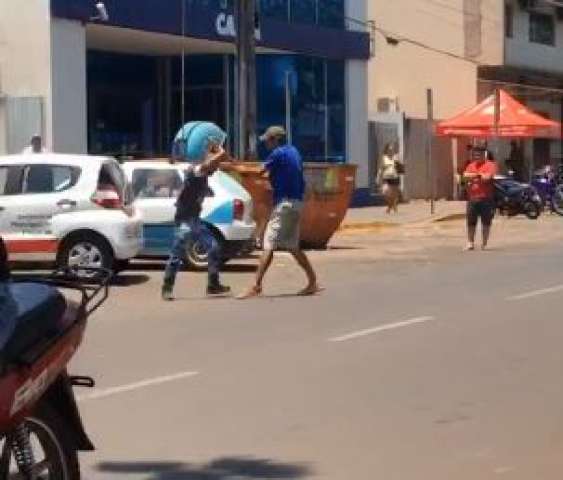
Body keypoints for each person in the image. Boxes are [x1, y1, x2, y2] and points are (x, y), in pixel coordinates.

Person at [237, 126, 321, 299]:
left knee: (267, 244)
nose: (266, 144)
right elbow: (283, 173)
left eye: (268, 140)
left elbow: (260, 171)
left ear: (274, 139)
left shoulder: (278, 154)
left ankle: (256, 286)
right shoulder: (293, 151)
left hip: (285, 204)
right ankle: (313, 282)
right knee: (292, 246)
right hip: (296, 203)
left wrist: (236, 168)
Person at [161, 139, 230, 301]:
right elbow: (216, 159)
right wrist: (218, 150)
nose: (216, 168)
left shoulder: (204, 175)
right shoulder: (197, 170)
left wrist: (215, 152)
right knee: (177, 254)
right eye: (214, 165)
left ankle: (213, 285)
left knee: (213, 247)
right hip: (184, 219)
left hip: (194, 219)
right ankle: (167, 287)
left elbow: (222, 160)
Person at [463, 147, 498, 251]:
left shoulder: (490, 165)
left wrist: (474, 176)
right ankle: (470, 243)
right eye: (475, 155)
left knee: (486, 222)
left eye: (479, 155)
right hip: (472, 198)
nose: (477, 157)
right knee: (471, 222)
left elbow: (487, 178)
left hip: (486, 198)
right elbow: (465, 176)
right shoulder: (471, 165)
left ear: (484, 155)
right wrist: (479, 175)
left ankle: (484, 243)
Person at [377, 143, 403, 214]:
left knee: (394, 195)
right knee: (385, 192)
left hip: (395, 177)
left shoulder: (396, 158)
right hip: (386, 178)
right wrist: (378, 178)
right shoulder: (384, 158)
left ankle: (390, 207)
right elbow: (381, 169)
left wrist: (399, 163)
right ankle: (392, 205)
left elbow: (400, 167)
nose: (391, 151)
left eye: (392, 150)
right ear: (386, 150)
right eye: (389, 150)